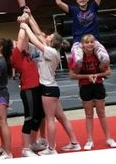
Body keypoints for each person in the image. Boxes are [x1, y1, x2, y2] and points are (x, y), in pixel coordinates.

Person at [20, 9, 81, 155]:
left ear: (52, 42)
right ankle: (74, 143)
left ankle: (52, 148)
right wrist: (30, 16)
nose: (46, 36)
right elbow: (39, 33)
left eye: (49, 36)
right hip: (52, 88)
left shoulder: (51, 52)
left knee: (50, 119)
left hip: (48, 89)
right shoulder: (50, 49)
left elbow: (35, 39)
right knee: (61, 117)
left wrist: (24, 25)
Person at [55, 0, 110, 70]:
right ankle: (81, 73)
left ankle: (100, 74)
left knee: (105, 59)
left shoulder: (93, 7)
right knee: (78, 60)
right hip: (79, 41)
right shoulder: (73, 10)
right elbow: (58, 2)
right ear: (77, 1)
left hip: (93, 41)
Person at [69, 34, 116, 150]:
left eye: (92, 42)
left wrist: (96, 75)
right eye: (87, 42)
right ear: (82, 45)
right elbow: (72, 75)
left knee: (101, 113)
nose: (90, 44)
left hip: (98, 85)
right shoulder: (78, 58)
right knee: (89, 115)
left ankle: (108, 138)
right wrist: (87, 76)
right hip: (85, 86)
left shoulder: (99, 55)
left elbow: (108, 72)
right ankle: (89, 140)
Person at [10, 16, 45, 157]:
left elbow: (24, 40)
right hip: (28, 89)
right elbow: (21, 38)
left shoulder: (26, 55)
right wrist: (22, 23)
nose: (19, 43)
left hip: (36, 87)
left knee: (39, 115)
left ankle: (32, 143)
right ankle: (25, 149)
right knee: (29, 117)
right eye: (15, 44)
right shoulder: (15, 56)